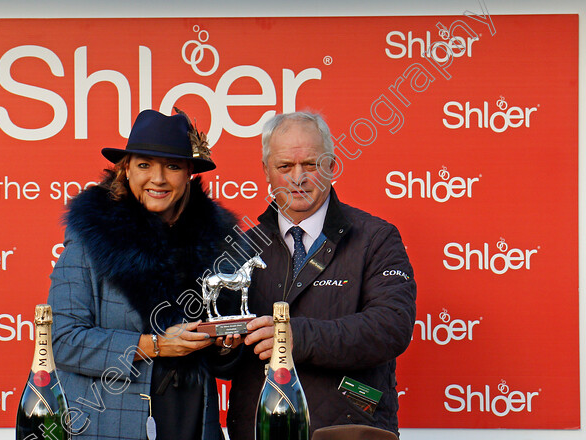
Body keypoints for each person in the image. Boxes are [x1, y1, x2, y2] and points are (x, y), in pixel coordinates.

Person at [47, 109, 240, 440]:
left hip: (192, 421)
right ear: (126, 168)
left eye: (173, 166)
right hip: (113, 426)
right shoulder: (90, 238)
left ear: (190, 171)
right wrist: (155, 345)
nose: (159, 178)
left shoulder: (219, 241)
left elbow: (225, 362)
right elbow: (63, 342)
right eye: (145, 165)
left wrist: (225, 345)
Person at [223, 111, 417, 438]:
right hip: (258, 429)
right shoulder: (243, 247)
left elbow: (391, 326)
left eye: (310, 165)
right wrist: (223, 347)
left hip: (348, 430)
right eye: (285, 166)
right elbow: (224, 360)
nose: (298, 178)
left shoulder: (376, 238)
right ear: (266, 172)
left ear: (330, 165)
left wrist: (297, 336)